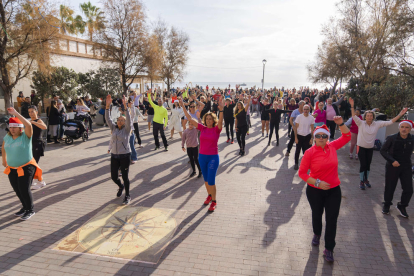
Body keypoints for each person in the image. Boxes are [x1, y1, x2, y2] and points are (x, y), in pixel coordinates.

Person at [298, 120, 351, 263]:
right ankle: (316, 233)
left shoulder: (332, 147)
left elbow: (347, 136)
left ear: (328, 137)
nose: (321, 138)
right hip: (315, 190)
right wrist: (317, 183)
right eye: (318, 136)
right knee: (317, 214)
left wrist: (341, 124)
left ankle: (329, 248)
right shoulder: (309, 153)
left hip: (334, 190)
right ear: (314, 137)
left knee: (332, 219)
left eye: (324, 136)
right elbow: (302, 173)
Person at [349, 98, 407, 190]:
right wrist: (352, 105)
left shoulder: (377, 124)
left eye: (370, 116)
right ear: (365, 117)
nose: (369, 117)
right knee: (363, 165)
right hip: (361, 147)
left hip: (370, 148)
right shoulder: (361, 123)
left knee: (368, 165)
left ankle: (366, 180)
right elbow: (353, 115)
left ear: (373, 117)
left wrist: (400, 114)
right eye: (367, 116)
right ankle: (361, 181)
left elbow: (390, 122)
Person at [179, 96, 224, 212]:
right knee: (205, 180)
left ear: (213, 120)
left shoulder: (216, 129)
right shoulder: (202, 128)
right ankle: (209, 195)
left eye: (210, 119)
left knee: (211, 180)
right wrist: (183, 106)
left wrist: (222, 110)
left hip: (213, 157)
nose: (208, 120)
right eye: (207, 119)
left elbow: (220, 121)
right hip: (202, 157)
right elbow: (189, 118)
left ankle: (214, 201)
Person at [2, 108, 43, 221]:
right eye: (11, 127)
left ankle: (30, 210)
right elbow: (3, 147)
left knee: (24, 189)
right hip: (12, 168)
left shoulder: (26, 136)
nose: (12, 129)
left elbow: (29, 125)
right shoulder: (8, 136)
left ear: (21, 128)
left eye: (15, 127)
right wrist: (4, 160)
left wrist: (15, 113)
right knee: (17, 189)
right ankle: (25, 207)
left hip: (26, 167)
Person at [380, 120, 414, 218]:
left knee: (409, 189)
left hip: (406, 166)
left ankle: (402, 206)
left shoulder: (412, 139)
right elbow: (383, 151)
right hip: (392, 166)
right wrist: (392, 161)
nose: (404, 129)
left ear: (410, 129)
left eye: (407, 127)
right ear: (399, 127)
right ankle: (386, 204)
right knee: (390, 187)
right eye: (402, 127)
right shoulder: (391, 138)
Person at [105, 94, 132, 205]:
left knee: (125, 176)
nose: (119, 121)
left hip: (125, 155)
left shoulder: (127, 129)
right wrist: (107, 107)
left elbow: (129, 119)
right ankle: (120, 187)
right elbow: (108, 118)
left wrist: (125, 107)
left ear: (125, 123)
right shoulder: (114, 128)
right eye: (118, 119)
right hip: (114, 156)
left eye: (122, 120)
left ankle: (127, 195)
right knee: (113, 177)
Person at [28, 105, 47, 189]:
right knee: (30, 163)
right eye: (29, 112)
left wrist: (33, 122)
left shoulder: (38, 120)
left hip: (38, 144)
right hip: (30, 144)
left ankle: (41, 181)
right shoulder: (29, 121)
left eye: (32, 111)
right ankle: (35, 180)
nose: (31, 113)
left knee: (34, 164)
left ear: (36, 112)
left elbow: (44, 127)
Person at [293, 105, 315, 170]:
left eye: (307, 109)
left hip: (307, 136)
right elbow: (296, 128)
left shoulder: (311, 118)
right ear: (303, 110)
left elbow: (312, 129)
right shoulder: (299, 117)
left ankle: (306, 164)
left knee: (307, 152)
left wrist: (311, 138)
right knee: (297, 151)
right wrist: (296, 138)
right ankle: (296, 164)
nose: (305, 111)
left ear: (309, 110)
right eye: (304, 109)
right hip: (299, 136)